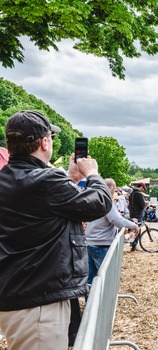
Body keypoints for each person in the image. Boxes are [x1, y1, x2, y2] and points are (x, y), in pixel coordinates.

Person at [0, 110, 113, 349]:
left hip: (18, 292)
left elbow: (43, 209)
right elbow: (99, 203)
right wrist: (92, 174)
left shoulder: (7, 178)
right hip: (39, 302)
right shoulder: (45, 180)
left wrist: (71, 178)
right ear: (44, 142)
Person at [85, 179, 139, 287]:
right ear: (112, 188)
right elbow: (117, 220)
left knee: (91, 279)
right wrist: (134, 225)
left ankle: (90, 303)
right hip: (101, 244)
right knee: (105, 278)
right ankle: (103, 303)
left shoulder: (93, 201)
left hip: (90, 243)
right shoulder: (106, 202)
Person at [128, 182, 147, 251]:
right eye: (143, 188)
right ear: (141, 186)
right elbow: (142, 205)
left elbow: (129, 205)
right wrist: (145, 204)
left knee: (133, 230)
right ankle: (134, 245)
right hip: (137, 215)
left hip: (132, 214)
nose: (143, 190)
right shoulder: (139, 194)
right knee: (137, 231)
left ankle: (132, 244)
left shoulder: (132, 194)